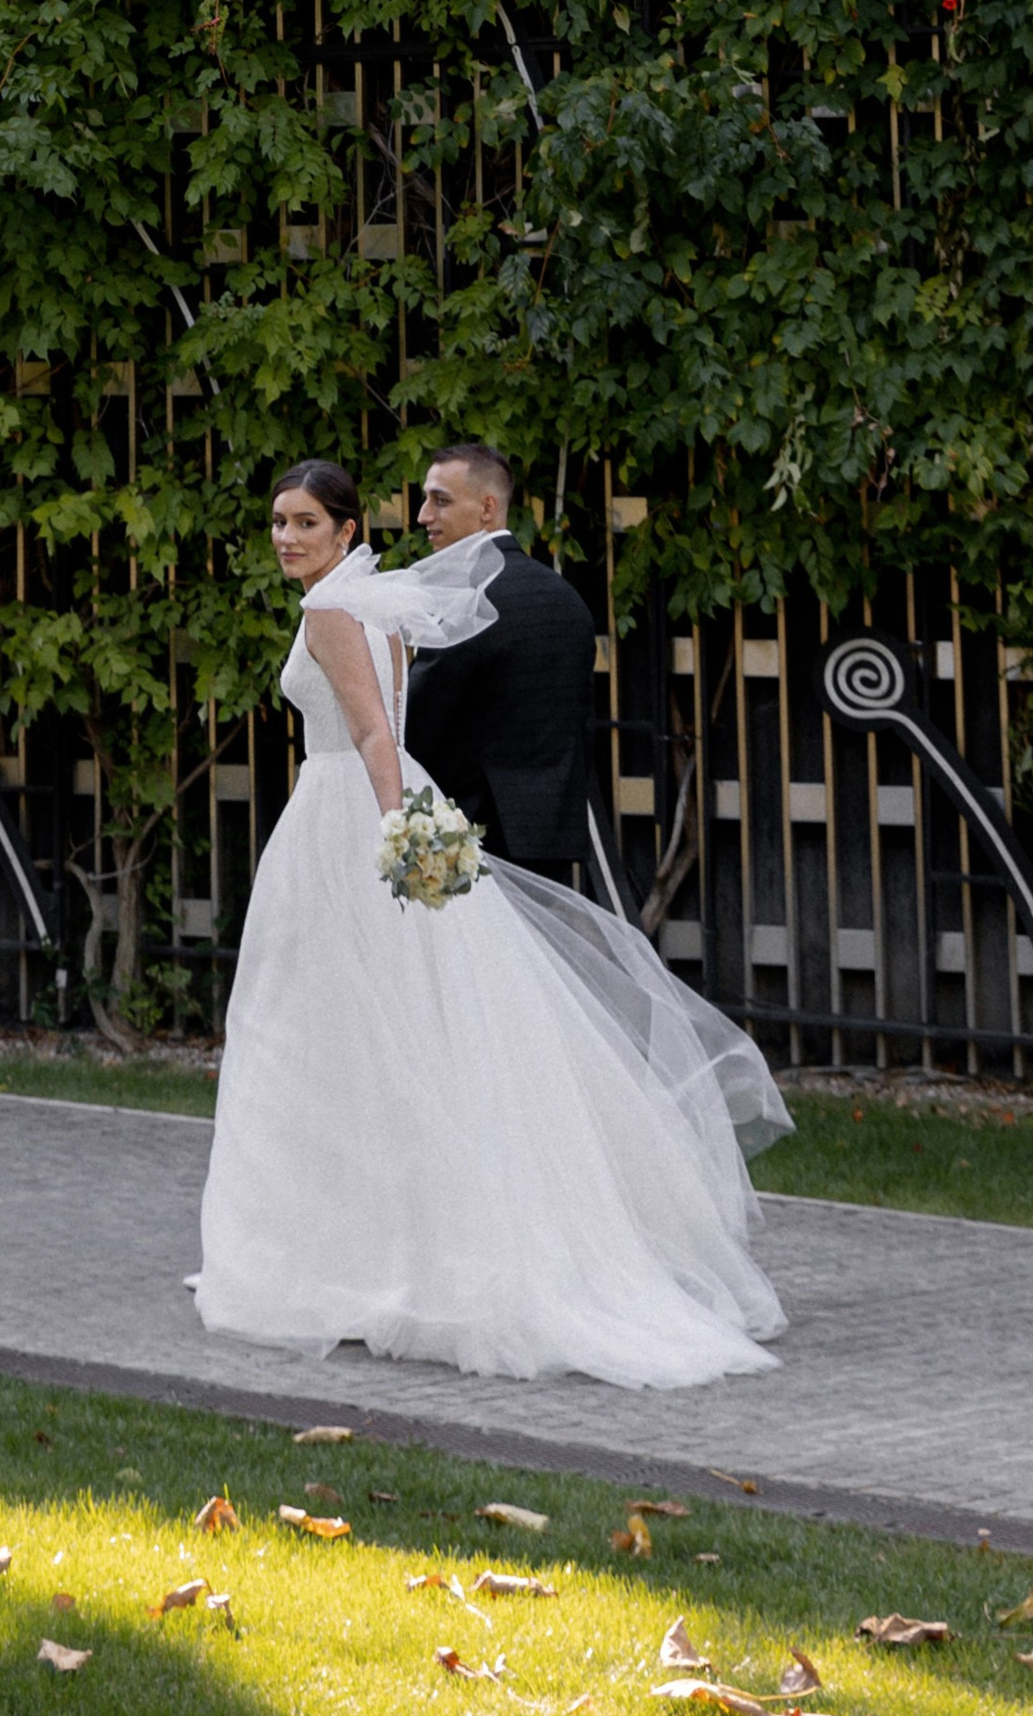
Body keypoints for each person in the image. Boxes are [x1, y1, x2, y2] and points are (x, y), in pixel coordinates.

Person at [192, 455, 789, 1390]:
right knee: (392, 1038)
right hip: (384, 808)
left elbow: (376, 735)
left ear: (346, 532)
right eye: (277, 522)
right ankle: (372, 1250)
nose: (285, 538)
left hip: (348, 818)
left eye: (305, 523)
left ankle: (340, 1261)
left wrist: (397, 831)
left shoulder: (331, 611)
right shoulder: (379, 603)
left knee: (313, 1031)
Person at [403, 441, 618, 900]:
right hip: (552, 834)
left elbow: (418, 725)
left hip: (472, 838)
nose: (424, 516)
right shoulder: (564, 599)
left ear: (487, 507)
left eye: (440, 500)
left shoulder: (469, 599)